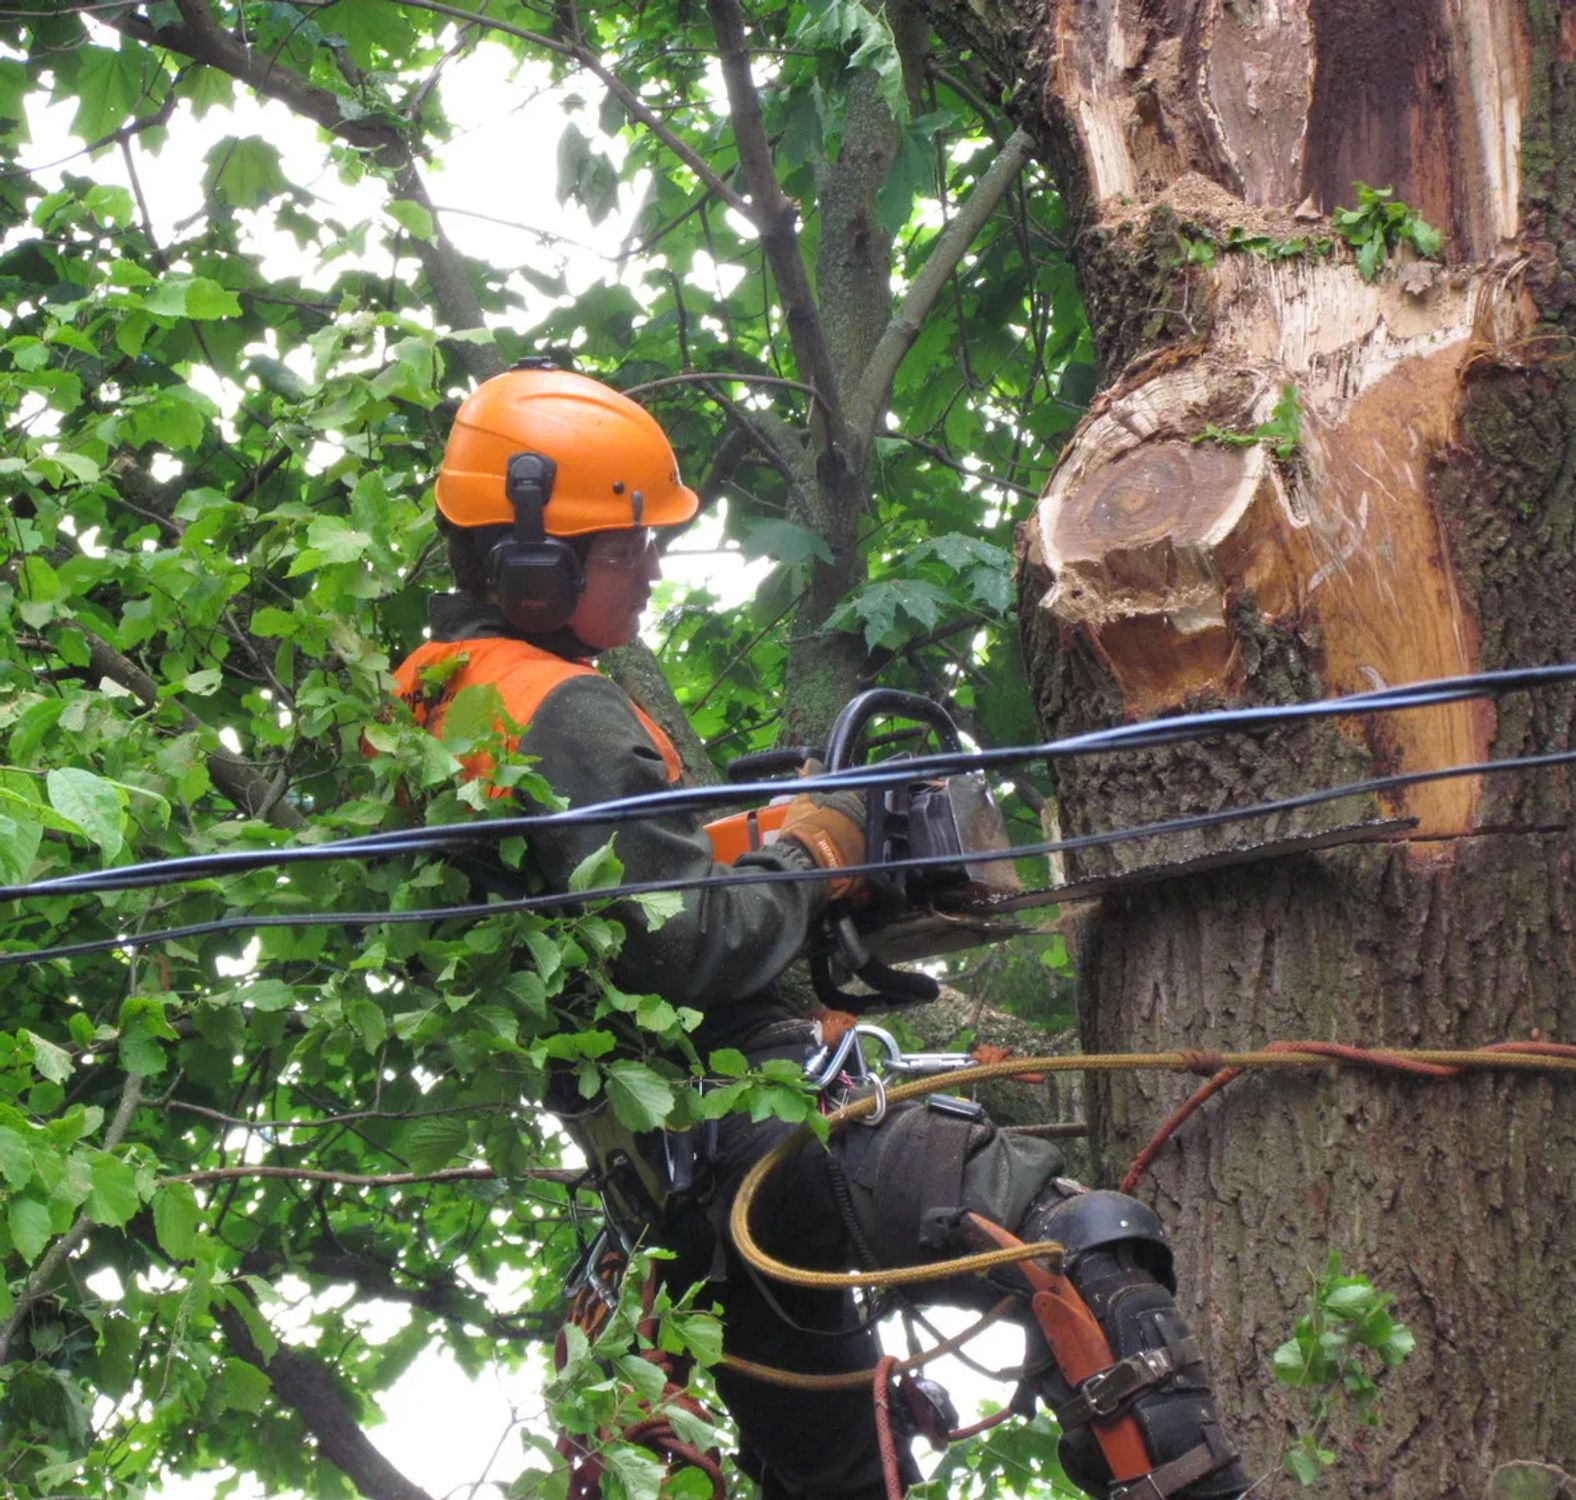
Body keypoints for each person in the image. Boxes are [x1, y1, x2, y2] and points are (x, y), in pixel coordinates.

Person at [391, 358, 1248, 1500]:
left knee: (842, 1475)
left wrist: (745, 841)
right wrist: (813, 853)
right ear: (532, 567)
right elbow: (686, 948)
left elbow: (610, 912)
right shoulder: (562, 708)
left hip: (673, 1186)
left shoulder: (436, 698)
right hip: (760, 1121)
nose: (649, 567)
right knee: (1069, 1249)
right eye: (623, 548)